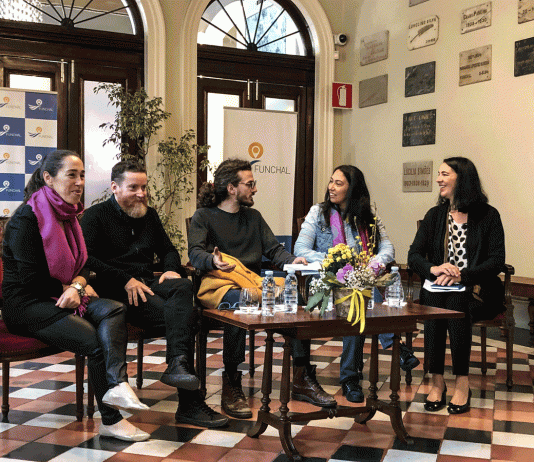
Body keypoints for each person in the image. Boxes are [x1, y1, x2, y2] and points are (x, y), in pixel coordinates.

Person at [1, 150, 150, 442]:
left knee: (113, 309)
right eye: (71, 175)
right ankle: (111, 419)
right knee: (92, 341)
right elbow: (33, 280)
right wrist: (77, 286)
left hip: (60, 295)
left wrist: (78, 284)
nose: (80, 182)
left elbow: (83, 263)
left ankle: (117, 384)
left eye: (82, 175)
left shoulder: (68, 215)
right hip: (27, 305)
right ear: (48, 178)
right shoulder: (25, 219)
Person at [80, 160, 228, 428]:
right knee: (189, 317)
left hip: (149, 283)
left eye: (144, 187)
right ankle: (189, 403)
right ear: (115, 187)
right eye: (134, 187)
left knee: (182, 285)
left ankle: (177, 367)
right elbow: (86, 259)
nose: (141, 194)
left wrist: (171, 269)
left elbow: (169, 250)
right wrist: (125, 279)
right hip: (116, 291)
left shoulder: (149, 214)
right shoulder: (95, 216)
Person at [188, 158, 337, 418]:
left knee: (297, 302)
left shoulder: (253, 217)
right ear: (232, 188)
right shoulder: (204, 216)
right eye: (250, 184)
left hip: (255, 284)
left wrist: (292, 261)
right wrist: (213, 260)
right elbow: (195, 253)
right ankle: (232, 382)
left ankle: (301, 376)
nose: (255, 189)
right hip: (220, 286)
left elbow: (274, 249)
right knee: (241, 303)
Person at [294, 165, 419, 403]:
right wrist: (335, 261)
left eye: (338, 183)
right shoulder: (317, 213)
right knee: (358, 294)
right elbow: (300, 249)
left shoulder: (368, 217)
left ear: (353, 189)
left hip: (359, 282)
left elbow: (387, 249)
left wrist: (374, 264)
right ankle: (394, 347)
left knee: (358, 294)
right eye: (331, 181)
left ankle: (351, 379)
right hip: (324, 281)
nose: (331, 187)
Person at [408, 157, 505, 415]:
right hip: (438, 290)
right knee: (438, 303)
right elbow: (414, 255)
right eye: (439, 174)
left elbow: (497, 261)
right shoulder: (435, 215)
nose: (438, 179)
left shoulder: (488, 216)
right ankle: (437, 380)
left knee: (455, 303)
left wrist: (462, 276)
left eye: (444, 174)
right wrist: (435, 268)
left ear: (462, 179)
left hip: (477, 290)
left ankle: (462, 381)